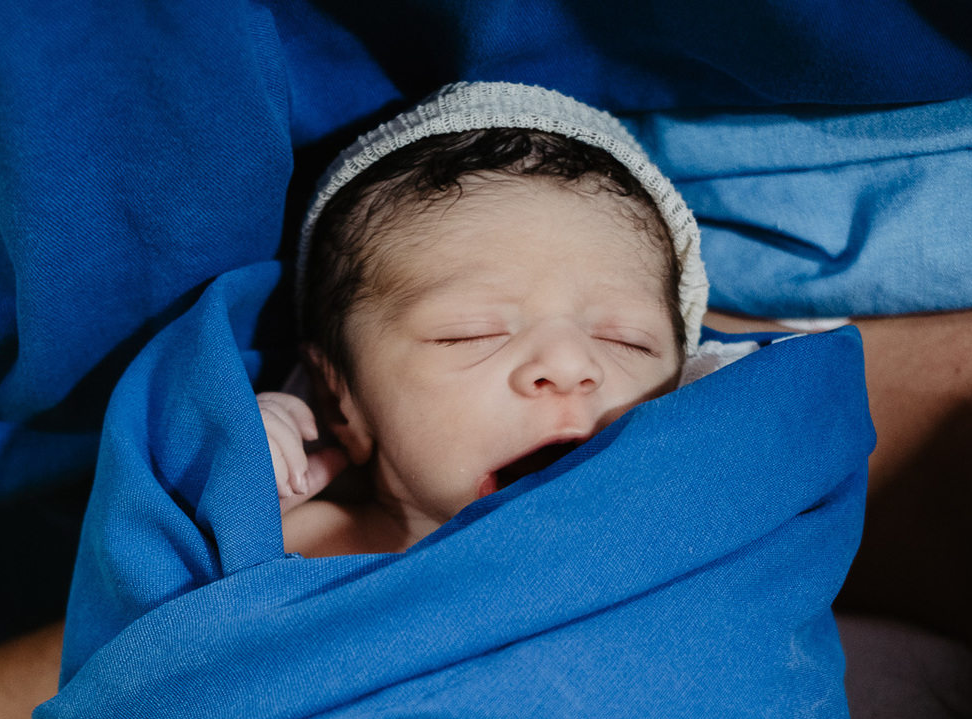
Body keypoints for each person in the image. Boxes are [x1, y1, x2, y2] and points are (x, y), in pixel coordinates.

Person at [260, 115, 696, 553]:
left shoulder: (696, 520)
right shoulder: (316, 541)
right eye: (471, 334)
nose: (568, 364)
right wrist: (246, 492)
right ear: (341, 403)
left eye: (627, 340)